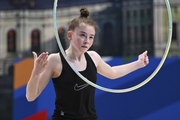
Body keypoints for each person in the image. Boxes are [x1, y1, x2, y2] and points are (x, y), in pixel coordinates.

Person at [26, 7, 149, 120]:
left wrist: (138, 64)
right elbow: (31, 97)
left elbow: (113, 73)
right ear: (70, 35)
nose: (87, 41)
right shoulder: (55, 60)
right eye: (82, 35)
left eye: (91, 37)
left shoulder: (93, 57)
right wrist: (35, 73)